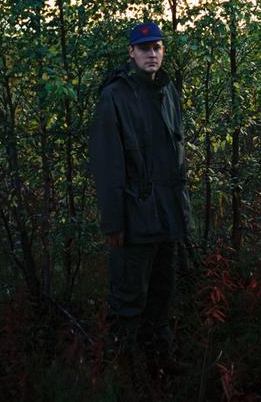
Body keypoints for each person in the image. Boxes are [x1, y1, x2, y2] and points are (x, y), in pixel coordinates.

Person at [89, 21, 190, 371]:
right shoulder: (114, 96)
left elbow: (176, 154)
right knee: (127, 302)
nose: (152, 53)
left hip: (167, 216)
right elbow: (107, 167)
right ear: (131, 53)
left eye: (157, 47)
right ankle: (116, 375)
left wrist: (181, 212)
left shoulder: (167, 89)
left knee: (161, 298)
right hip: (134, 218)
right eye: (144, 48)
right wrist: (114, 223)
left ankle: (159, 369)